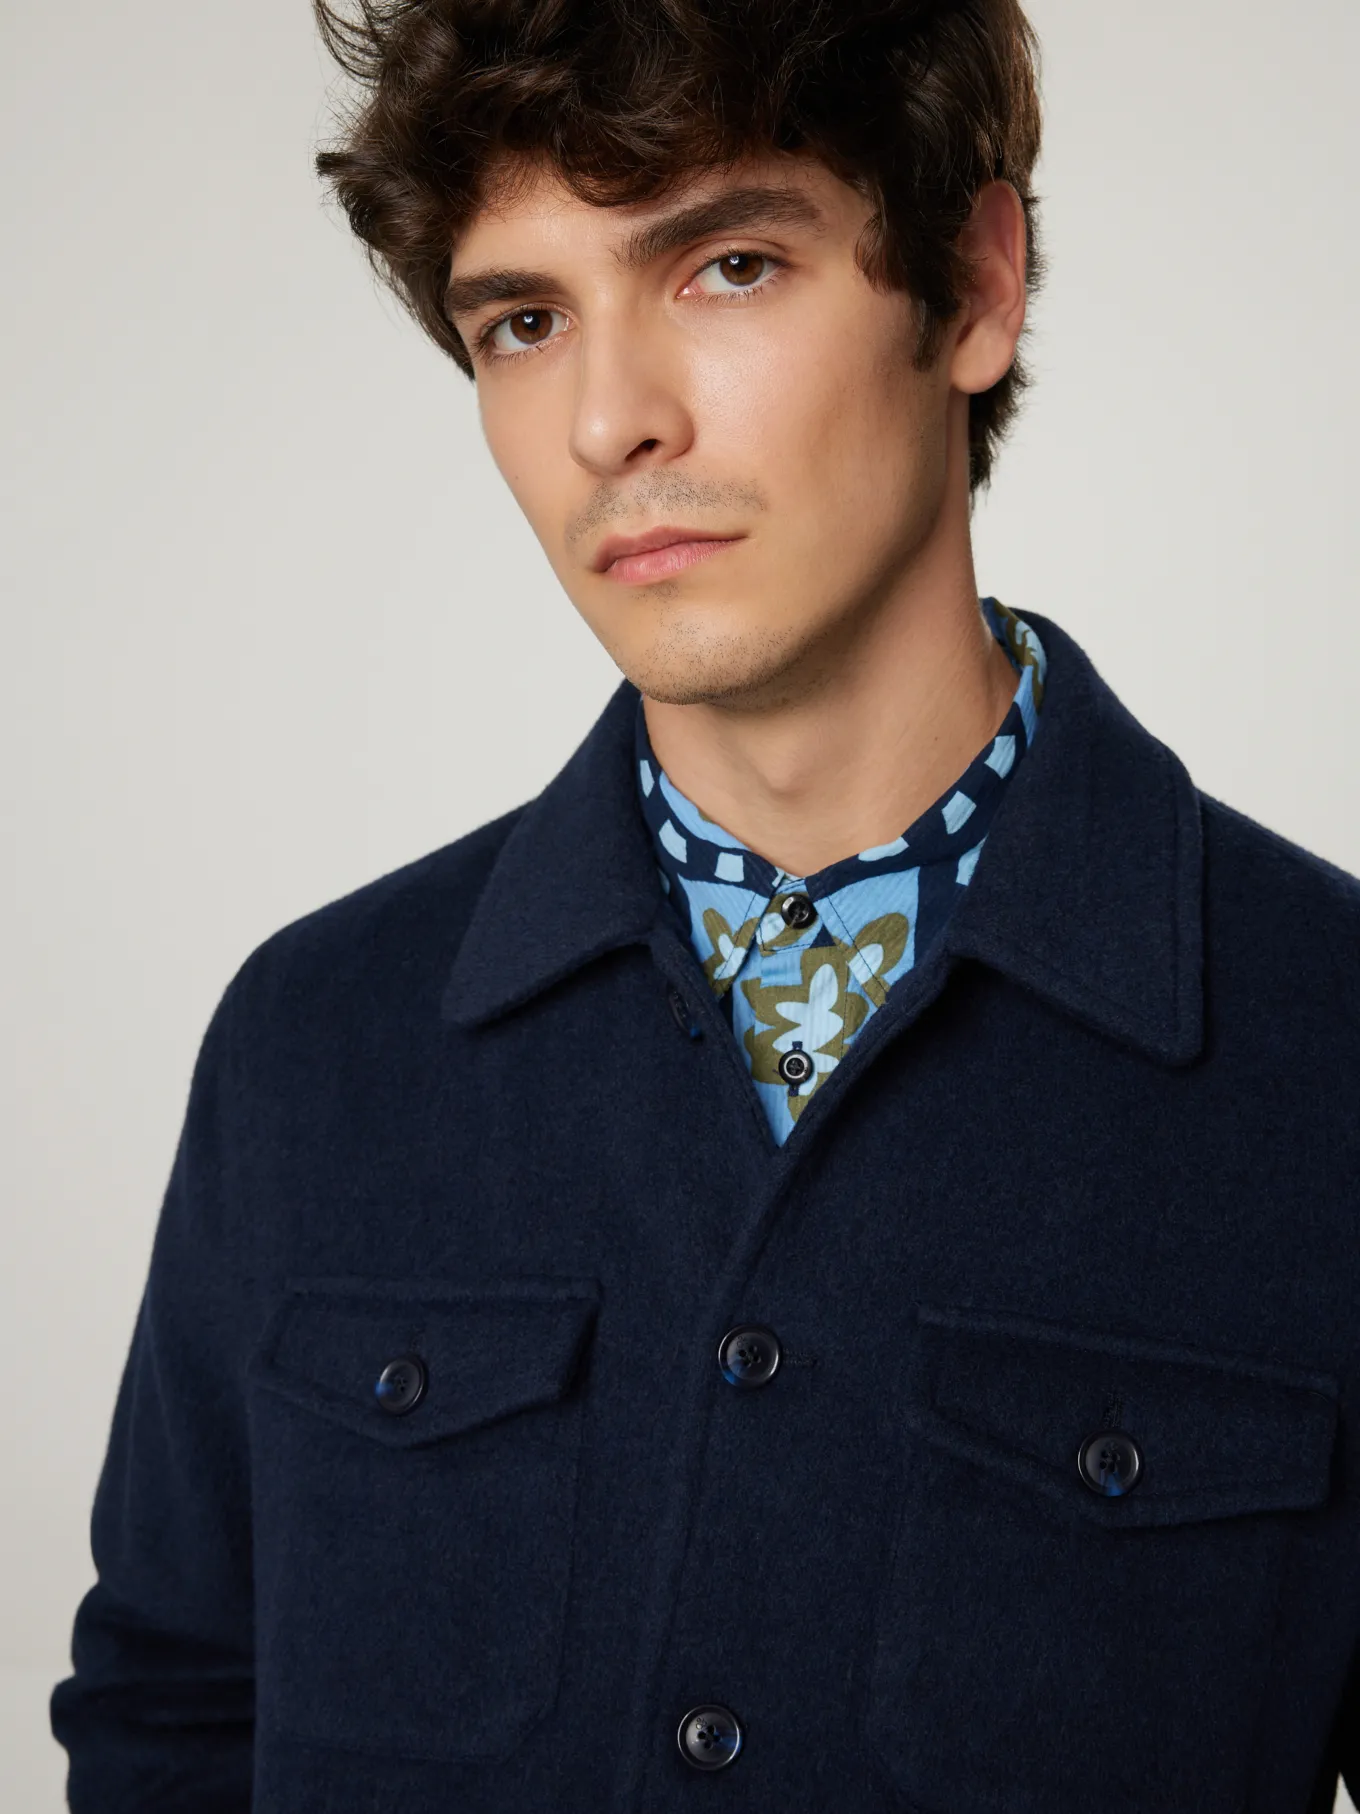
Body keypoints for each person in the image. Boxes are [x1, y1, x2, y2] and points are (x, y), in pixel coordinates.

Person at [50, 1, 1360, 1809]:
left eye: (728, 266)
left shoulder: (1331, 1057)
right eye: (525, 321)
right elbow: (172, 1720)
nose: (610, 421)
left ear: (976, 288)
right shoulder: (312, 1044)